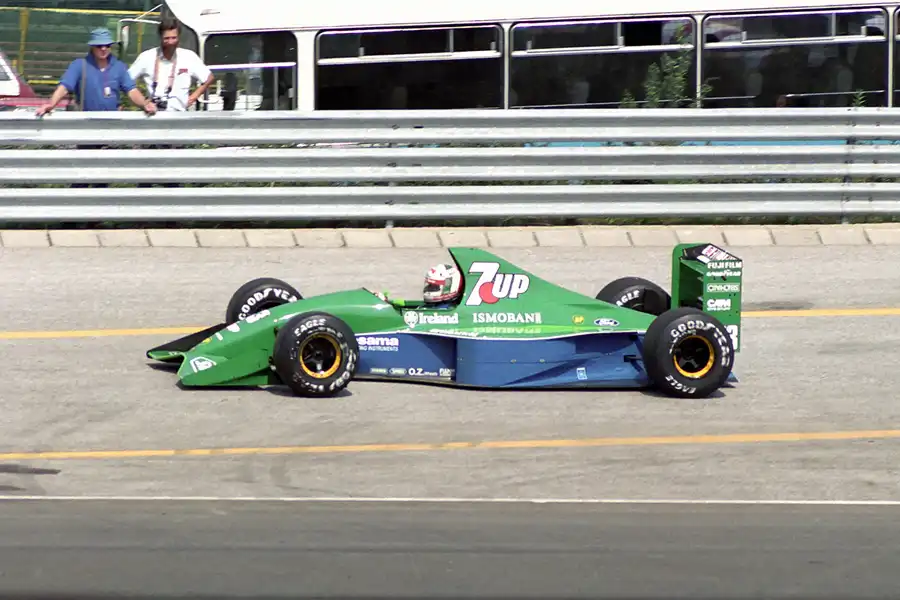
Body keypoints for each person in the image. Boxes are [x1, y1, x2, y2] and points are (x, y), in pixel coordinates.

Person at [35, 28, 156, 116]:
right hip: (86, 123)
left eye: (107, 45)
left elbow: (131, 90)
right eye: (99, 45)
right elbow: (64, 87)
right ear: (92, 46)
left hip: (112, 124)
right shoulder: (79, 65)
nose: (103, 49)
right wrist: (51, 104)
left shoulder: (119, 67)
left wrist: (145, 104)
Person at [128, 17, 214, 113]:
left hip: (179, 114)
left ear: (179, 37)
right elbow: (126, 81)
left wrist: (193, 97)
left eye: (174, 38)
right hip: (154, 115)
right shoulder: (147, 57)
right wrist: (144, 102)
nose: (170, 42)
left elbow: (208, 78)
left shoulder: (188, 56)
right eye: (166, 38)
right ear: (160, 37)